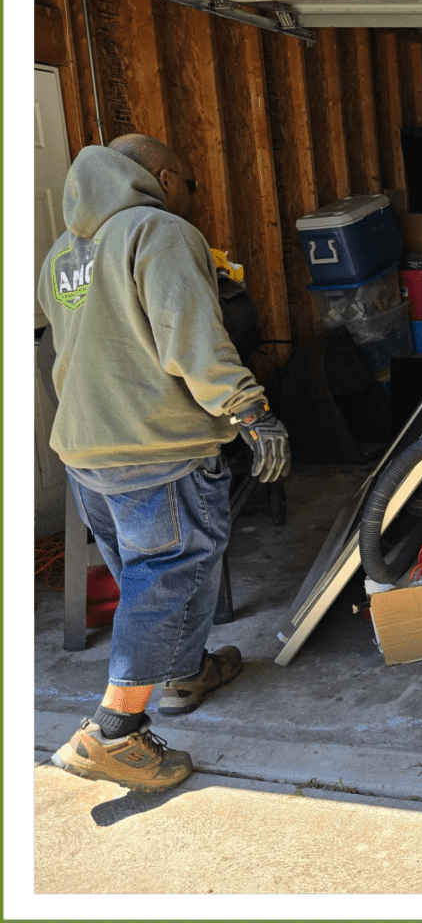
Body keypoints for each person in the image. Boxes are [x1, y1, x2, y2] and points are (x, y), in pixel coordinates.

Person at [37, 135, 291, 792]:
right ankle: (113, 734)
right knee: (167, 577)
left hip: (88, 448)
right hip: (155, 446)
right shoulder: (159, 230)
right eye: (186, 183)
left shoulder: (63, 253)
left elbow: (65, 345)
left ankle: (183, 672)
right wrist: (251, 412)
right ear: (161, 175)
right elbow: (192, 337)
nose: (184, 195)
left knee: (142, 572)